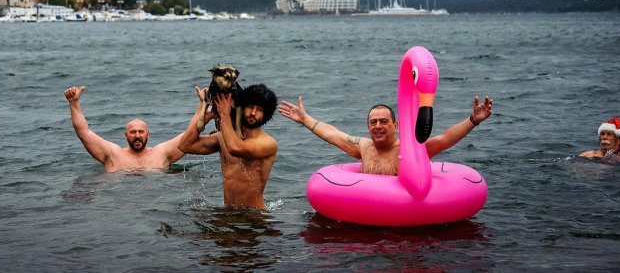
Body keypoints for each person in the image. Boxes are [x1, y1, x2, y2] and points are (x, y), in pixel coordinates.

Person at [278, 96, 493, 176]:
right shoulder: (363, 147)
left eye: (383, 121)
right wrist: (305, 118)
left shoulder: (410, 150)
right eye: (373, 122)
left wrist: (473, 120)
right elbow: (332, 133)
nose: (378, 126)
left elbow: (444, 139)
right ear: (368, 126)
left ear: (396, 125)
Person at [178, 84, 279, 208]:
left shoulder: (268, 143)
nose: (253, 113)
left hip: (255, 217)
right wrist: (205, 113)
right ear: (241, 107)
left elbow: (235, 148)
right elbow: (184, 145)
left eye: (259, 110)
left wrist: (224, 115)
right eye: (250, 107)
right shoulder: (222, 137)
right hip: (228, 213)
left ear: (266, 114)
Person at [63, 85, 186, 172]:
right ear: (125, 135)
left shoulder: (161, 153)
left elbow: (189, 136)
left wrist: (204, 105)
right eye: (133, 132)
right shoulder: (113, 154)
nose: (137, 135)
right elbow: (83, 133)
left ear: (148, 134)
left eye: (141, 132)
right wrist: (74, 103)